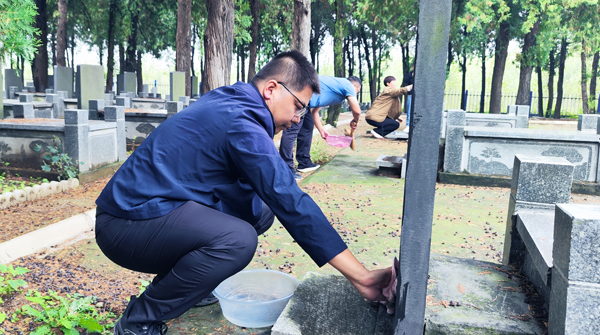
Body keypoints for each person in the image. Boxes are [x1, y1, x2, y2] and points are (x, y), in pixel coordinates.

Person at [95, 50, 392, 335]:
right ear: (272, 89)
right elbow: (288, 198)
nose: (298, 118)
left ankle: (187, 285)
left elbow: (262, 192)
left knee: (260, 214)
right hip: (126, 224)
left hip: (156, 208)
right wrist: (361, 276)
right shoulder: (242, 121)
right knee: (237, 241)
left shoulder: (237, 101)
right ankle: (138, 320)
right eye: (298, 106)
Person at [279, 75, 362, 180]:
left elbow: (314, 112)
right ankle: (286, 169)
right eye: (357, 91)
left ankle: (304, 163)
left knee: (307, 127)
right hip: (300, 95)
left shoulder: (333, 87)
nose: (356, 94)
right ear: (354, 85)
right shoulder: (347, 85)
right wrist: (355, 120)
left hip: (308, 101)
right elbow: (357, 111)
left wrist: (322, 130)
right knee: (291, 131)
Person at [401, 67, 414, 132]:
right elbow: (405, 81)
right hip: (411, 95)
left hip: (420, 96)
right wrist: (412, 76)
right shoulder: (410, 74)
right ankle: (408, 125)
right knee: (409, 111)